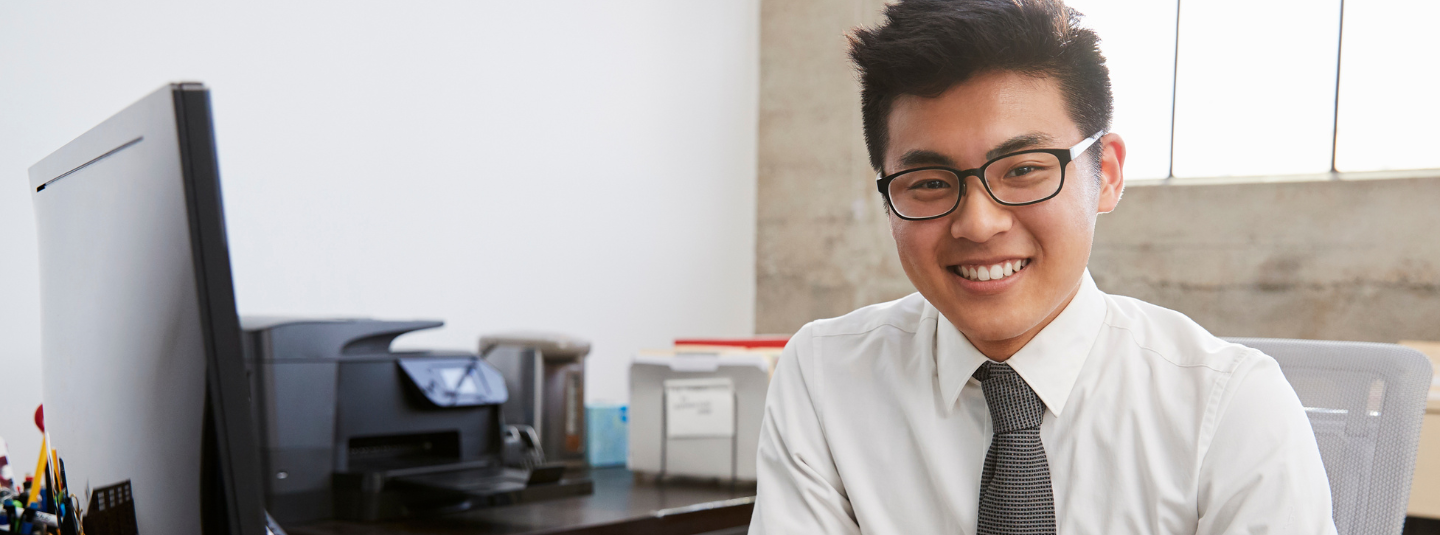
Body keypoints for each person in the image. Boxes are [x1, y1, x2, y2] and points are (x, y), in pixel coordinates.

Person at [748, 0, 1337, 533]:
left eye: (1024, 169)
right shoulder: (825, 376)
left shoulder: (1230, 406)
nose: (978, 224)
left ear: (1105, 172)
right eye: (928, 182)